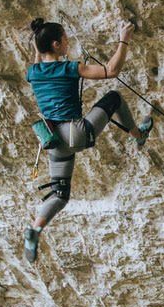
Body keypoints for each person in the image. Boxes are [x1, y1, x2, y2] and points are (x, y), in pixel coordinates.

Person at [22, 17, 153, 262]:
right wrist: (124, 39)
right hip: (76, 131)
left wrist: (38, 52)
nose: (67, 42)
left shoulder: (33, 73)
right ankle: (138, 134)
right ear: (55, 44)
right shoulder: (69, 68)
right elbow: (111, 71)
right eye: (64, 39)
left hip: (53, 141)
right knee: (114, 97)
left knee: (59, 195)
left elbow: (38, 62)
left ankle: (35, 229)